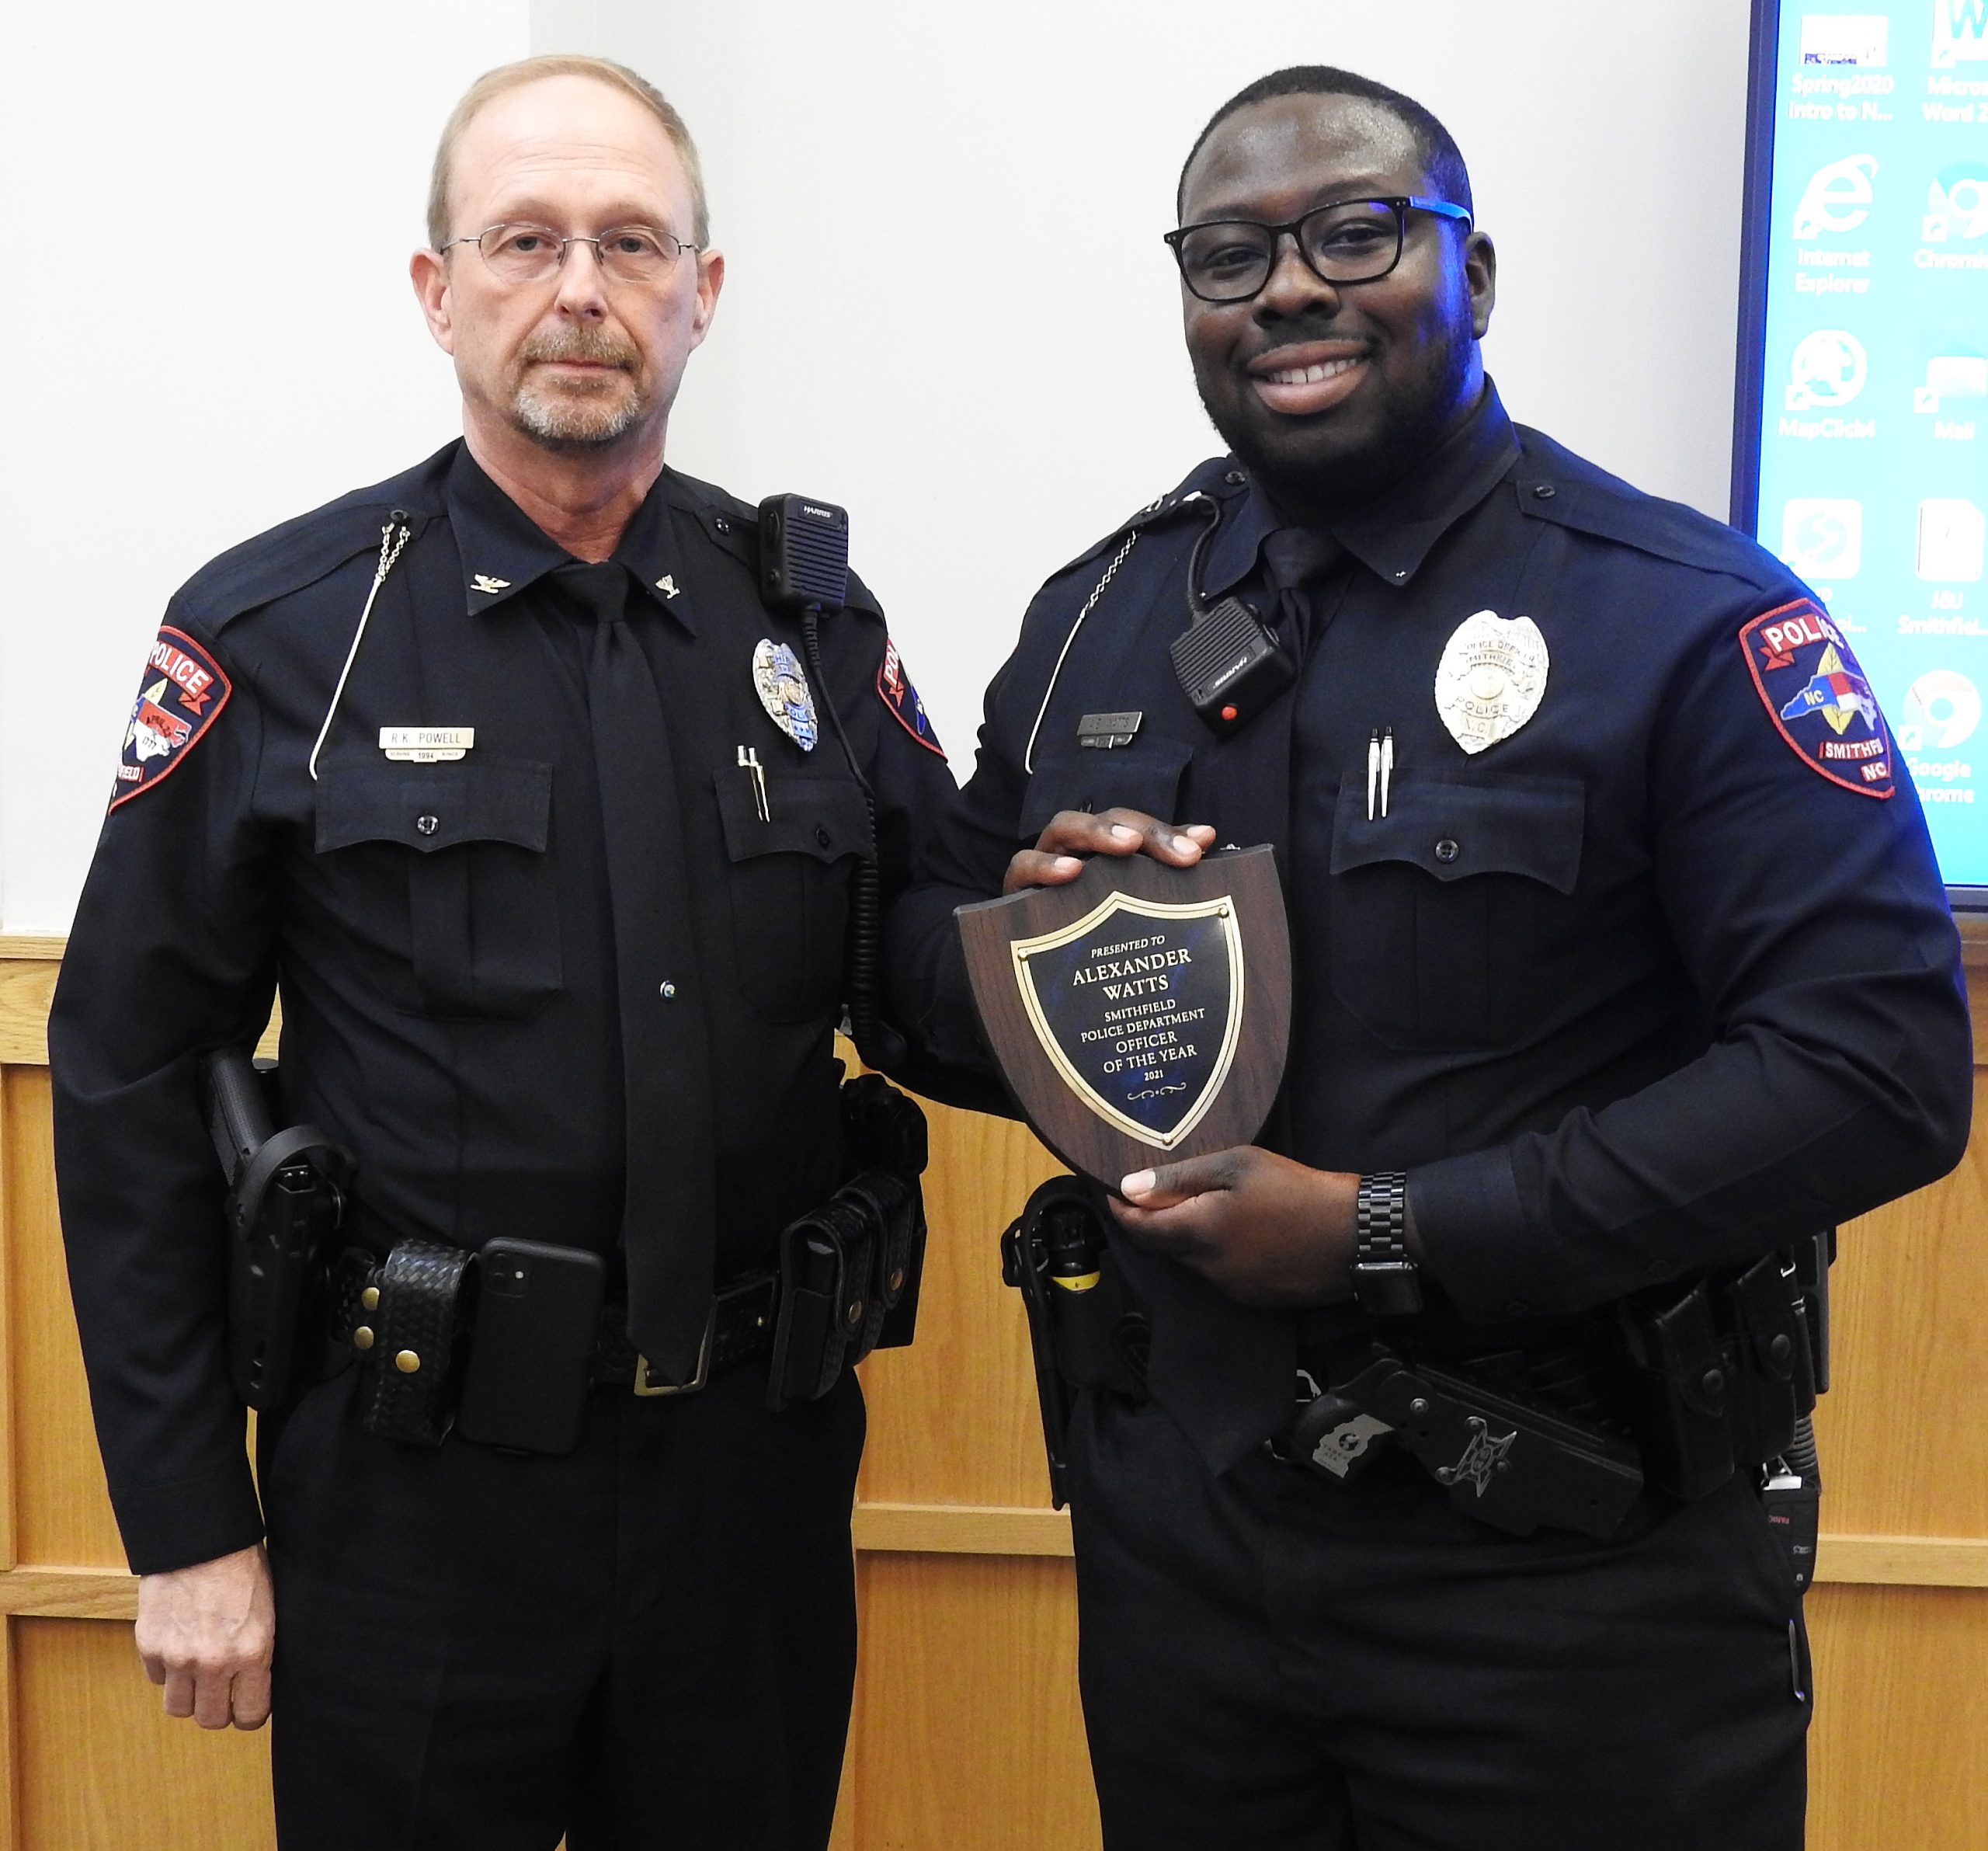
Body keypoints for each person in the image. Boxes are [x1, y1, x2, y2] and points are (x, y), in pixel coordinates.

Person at [886, 65, 1973, 1851]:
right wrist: (1026, 943)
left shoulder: (1684, 619)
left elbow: (1873, 1071)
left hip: (1566, 1579)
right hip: (1182, 1564)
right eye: (1227, 257)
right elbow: (920, 985)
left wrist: (1385, 1227)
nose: (1286, 290)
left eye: (1353, 234)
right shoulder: (1096, 620)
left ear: (1471, 275)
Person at [50, 54, 959, 1851]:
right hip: (413, 1499)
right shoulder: (283, 633)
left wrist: (1124, 898)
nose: (579, 290)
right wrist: (187, 1524)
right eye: (524, 240)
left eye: (632, 244)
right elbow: (131, 1077)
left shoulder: (806, 628)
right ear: (437, 288)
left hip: (749, 1489)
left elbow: (940, 972)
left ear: (701, 292)